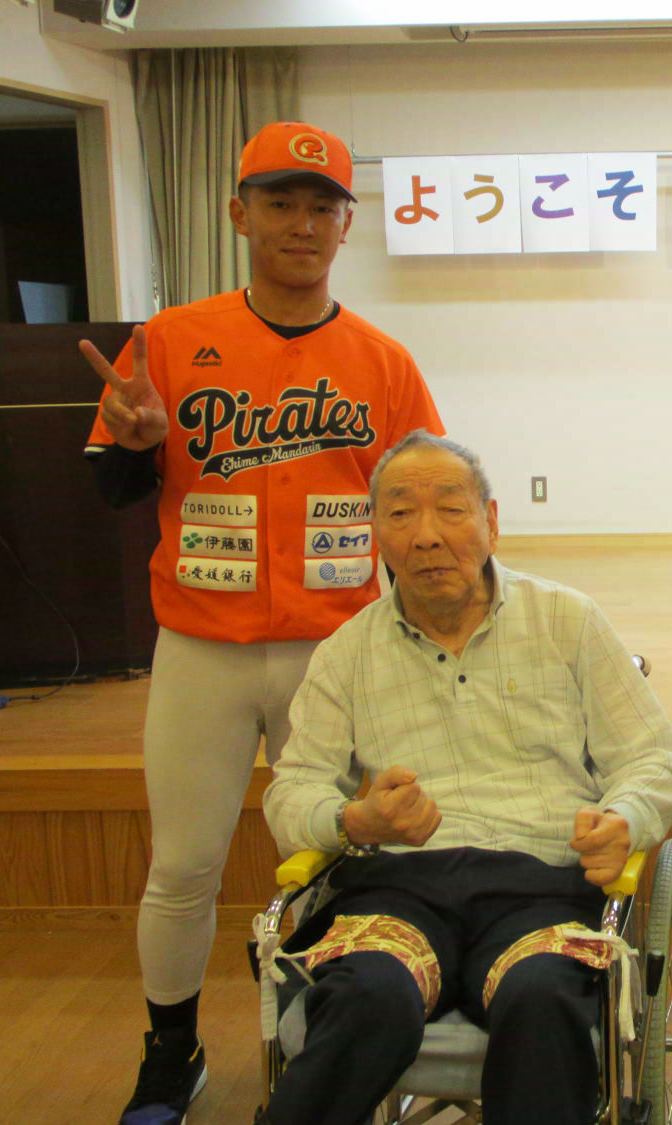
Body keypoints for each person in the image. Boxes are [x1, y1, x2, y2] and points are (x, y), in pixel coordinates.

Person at [79, 121, 446, 1125]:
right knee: (184, 865)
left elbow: (421, 509)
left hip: (336, 652)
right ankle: (171, 1056)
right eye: (280, 202)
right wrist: (139, 443)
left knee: (344, 858)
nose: (302, 222)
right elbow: (113, 487)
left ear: (347, 225)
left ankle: (334, 1042)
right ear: (239, 214)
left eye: (322, 206)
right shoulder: (169, 341)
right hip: (202, 649)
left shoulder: (382, 361)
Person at [257, 430, 672, 1125]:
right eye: (401, 513)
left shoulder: (567, 621)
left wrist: (624, 819)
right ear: (377, 535)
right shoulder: (346, 652)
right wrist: (354, 820)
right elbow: (291, 789)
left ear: (491, 521)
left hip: (540, 888)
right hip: (397, 891)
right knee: (368, 997)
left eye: (450, 509)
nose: (426, 536)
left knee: (542, 997)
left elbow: (654, 759)